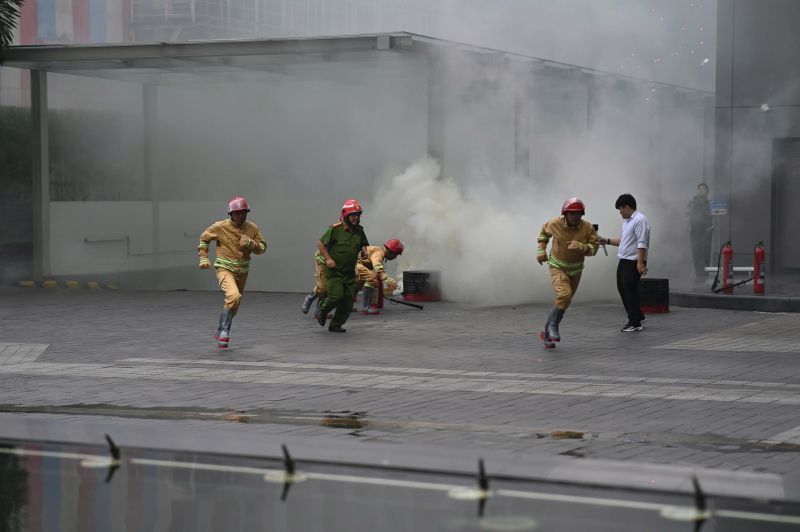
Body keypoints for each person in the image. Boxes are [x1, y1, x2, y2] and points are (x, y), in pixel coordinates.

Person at [198, 197, 267, 348]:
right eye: (237, 213)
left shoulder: (252, 228)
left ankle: (219, 328)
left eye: (243, 212)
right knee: (233, 296)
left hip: (242, 271)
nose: (240, 215)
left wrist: (251, 243)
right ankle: (224, 332)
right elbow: (204, 238)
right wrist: (203, 258)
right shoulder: (220, 227)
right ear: (231, 213)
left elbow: (262, 248)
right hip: (224, 269)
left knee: (235, 303)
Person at [536, 198, 600, 348]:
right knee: (564, 295)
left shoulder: (587, 228)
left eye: (578, 213)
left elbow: (594, 248)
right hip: (557, 266)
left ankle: (546, 333)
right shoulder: (554, 224)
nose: (575, 216)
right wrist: (540, 250)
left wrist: (581, 247)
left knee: (564, 300)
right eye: (572, 213)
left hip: (576, 270)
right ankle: (553, 326)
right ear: (565, 213)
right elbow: (544, 234)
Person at [598, 193, 651, 332]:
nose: (620, 212)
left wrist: (640, 263)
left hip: (633, 261)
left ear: (626, 207)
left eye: (620, 209)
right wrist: (607, 240)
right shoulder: (628, 222)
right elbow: (624, 241)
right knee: (622, 288)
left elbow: (642, 242)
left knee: (629, 290)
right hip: (625, 259)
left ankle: (634, 322)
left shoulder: (640, 220)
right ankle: (638, 315)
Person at [315, 200, 369, 332]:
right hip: (335, 271)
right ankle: (322, 309)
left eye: (358, 215)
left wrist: (364, 250)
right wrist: (328, 259)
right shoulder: (335, 229)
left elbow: (363, 242)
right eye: (353, 215)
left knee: (348, 302)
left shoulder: (359, 231)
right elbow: (321, 243)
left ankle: (335, 324)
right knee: (336, 296)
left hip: (349, 272)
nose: (356, 218)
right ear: (346, 215)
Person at [355, 239, 404, 315]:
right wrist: (387, 279)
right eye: (396, 254)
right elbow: (377, 265)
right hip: (355, 263)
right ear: (391, 251)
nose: (395, 258)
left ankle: (345, 306)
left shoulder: (379, 252)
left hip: (354, 263)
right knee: (371, 278)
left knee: (358, 284)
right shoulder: (379, 252)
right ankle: (366, 307)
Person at [686, 183, 713, 277]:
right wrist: (693, 207)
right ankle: (697, 274)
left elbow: (719, 218)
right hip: (694, 232)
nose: (701, 190)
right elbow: (686, 214)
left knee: (705, 253)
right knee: (695, 253)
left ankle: (705, 274)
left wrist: (713, 227)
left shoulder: (711, 204)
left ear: (707, 192)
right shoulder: (692, 203)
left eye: (703, 189)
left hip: (706, 232)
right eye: (699, 189)